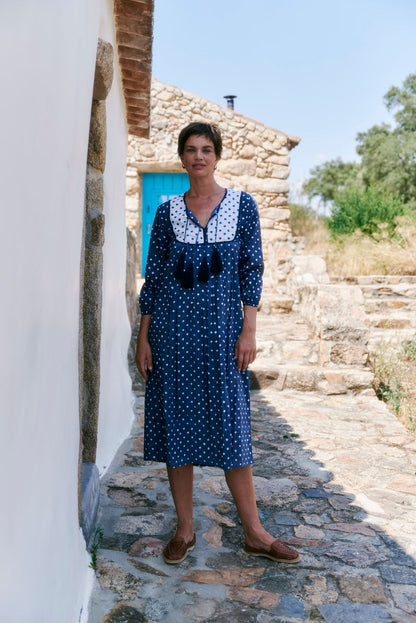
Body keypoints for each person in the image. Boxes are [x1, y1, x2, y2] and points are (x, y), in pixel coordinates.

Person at [135, 122, 300, 565]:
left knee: (232, 432)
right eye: (190, 150)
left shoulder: (243, 206)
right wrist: (143, 337)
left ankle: (255, 532)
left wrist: (249, 330)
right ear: (182, 157)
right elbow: (154, 280)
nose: (199, 157)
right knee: (177, 430)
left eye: (206, 149)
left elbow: (252, 271)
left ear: (217, 156)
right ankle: (185, 529)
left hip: (224, 340)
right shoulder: (168, 212)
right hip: (173, 337)